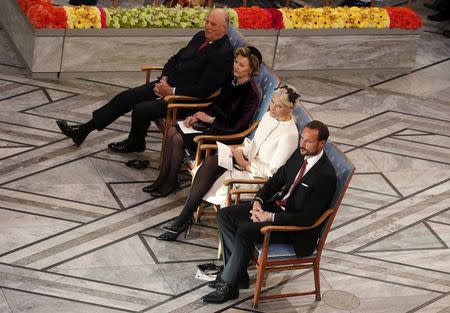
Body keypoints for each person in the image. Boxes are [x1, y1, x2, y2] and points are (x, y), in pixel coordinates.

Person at [56, 9, 233, 153]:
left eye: (213, 24)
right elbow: (175, 59)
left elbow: (204, 90)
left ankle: (136, 143)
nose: (207, 26)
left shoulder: (223, 54)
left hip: (183, 100)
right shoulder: (200, 36)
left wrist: (171, 91)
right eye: (207, 21)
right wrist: (164, 78)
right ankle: (83, 131)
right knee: (127, 97)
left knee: (141, 109)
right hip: (167, 85)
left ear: (224, 29)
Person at [201, 120, 337, 304]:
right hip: (277, 208)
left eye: (308, 141)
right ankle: (237, 276)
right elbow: (277, 179)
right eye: (302, 139)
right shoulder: (300, 154)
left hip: (294, 229)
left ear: (322, 144)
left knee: (245, 230)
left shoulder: (326, 176)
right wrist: (258, 200)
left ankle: (228, 285)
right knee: (225, 215)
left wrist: (270, 217)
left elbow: (307, 218)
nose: (302, 144)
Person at [156, 85, 301, 240]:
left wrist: (245, 164)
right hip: (244, 163)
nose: (272, 108)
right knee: (211, 162)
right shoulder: (268, 117)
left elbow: (274, 172)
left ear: (289, 109)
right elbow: (253, 145)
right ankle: (184, 218)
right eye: (272, 102)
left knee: (210, 172)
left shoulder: (290, 135)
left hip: (259, 179)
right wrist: (237, 150)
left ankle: (182, 220)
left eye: (278, 106)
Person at [143, 46, 263, 198]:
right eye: (236, 62)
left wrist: (210, 120)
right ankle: (162, 179)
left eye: (241, 65)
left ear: (251, 70)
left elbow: (235, 126)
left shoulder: (251, 94)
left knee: (178, 138)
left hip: (226, 135)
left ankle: (170, 182)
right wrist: (197, 116)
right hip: (212, 125)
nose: (235, 66)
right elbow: (215, 105)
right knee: (172, 130)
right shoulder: (231, 80)